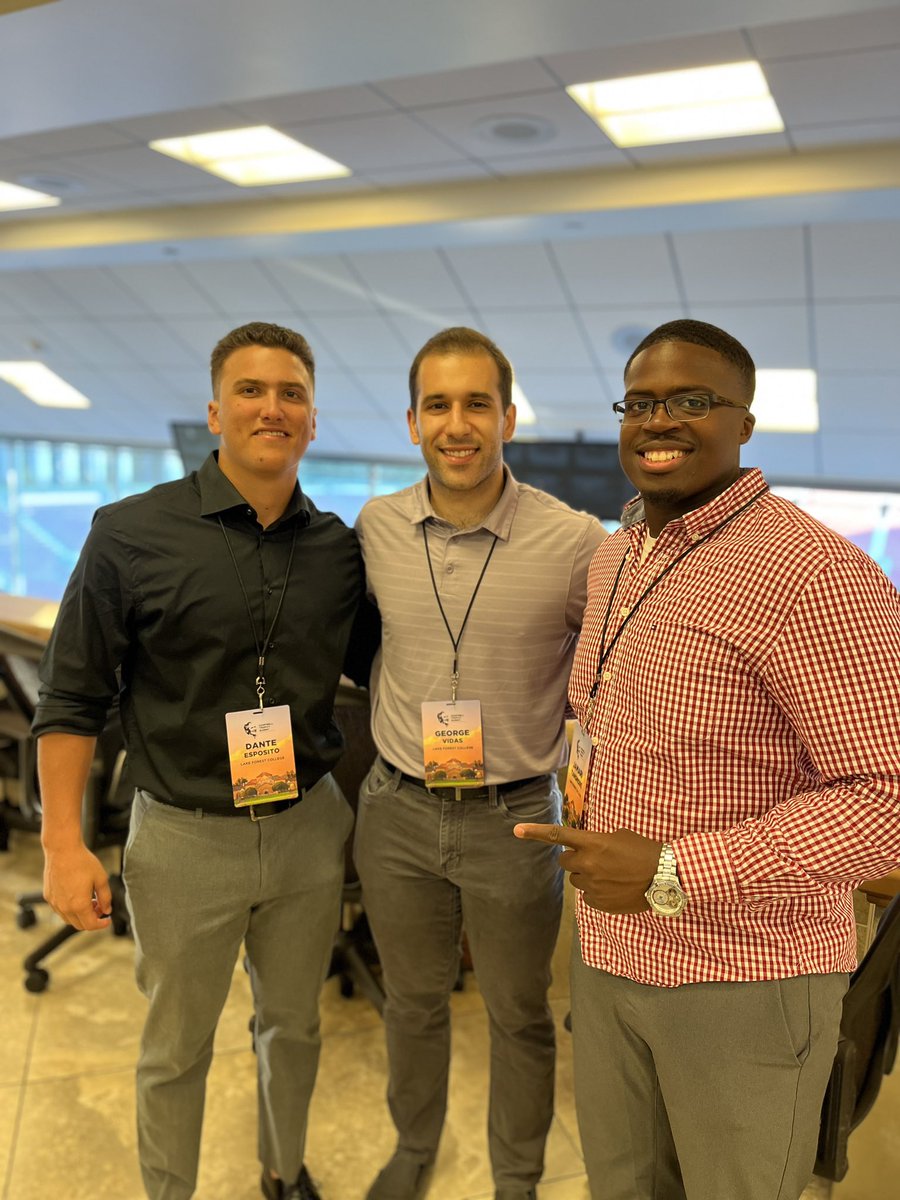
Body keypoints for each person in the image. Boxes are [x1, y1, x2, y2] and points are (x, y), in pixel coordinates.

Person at [515, 319, 900, 1200]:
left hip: (744, 974)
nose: (662, 421)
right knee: (623, 1184)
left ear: (745, 423)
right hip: (610, 954)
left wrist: (673, 869)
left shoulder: (812, 573)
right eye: (641, 403)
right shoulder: (618, 555)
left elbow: (886, 798)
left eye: (695, 401)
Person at [33, 322, 376, 1200]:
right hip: (183, 839)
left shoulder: (340, 550)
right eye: (253, 391)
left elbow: (392, 670)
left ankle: (280, 1167)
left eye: (291, 393)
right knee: (177, 1044)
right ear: (216, 410)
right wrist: (63, 848)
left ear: (310, 418)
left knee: (293, 1027)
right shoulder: (129, 534)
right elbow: (69, 701)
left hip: (306, 831)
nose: (273, 407)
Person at [354, 326, 607, 1200]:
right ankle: (414, 1150)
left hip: (515, 819)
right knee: (413, 1003)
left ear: (507, 416)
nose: (456, 425)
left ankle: (517, 1181)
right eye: (437, 405)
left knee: (519, 1014)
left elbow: (616, 670)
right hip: (395, 812)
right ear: (412, 421)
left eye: (475, 405)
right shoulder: (376, 527)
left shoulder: (575, 542)